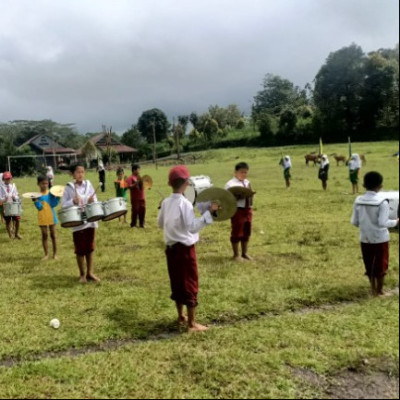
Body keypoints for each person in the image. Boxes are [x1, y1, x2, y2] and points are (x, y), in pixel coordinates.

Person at [158, 165, 218, 333]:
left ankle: (180, 315)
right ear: (186, 184)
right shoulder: (185, 204)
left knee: (176, 282)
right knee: (190, 283)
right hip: (185, 250)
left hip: (171, 249)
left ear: (170, 184)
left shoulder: (165, 202)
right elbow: (192, 227)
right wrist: (209, 213)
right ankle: (192, 323)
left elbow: (160, 223)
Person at [351, 171, 399, 296]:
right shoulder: (382, 202)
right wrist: (396, 221)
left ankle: (372, 289)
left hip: (364, 237)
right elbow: (383, 222)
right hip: (380, 238)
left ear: (363, 185)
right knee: (381, 264)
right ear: (380, 185)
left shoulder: (358, 200)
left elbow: (354, 222)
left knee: (369, 263)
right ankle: (380, 291)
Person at [62, 164, 100, 283]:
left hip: (89, 221)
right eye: (78, 172)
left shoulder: (88, 185)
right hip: (77, 222)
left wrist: (92, 200)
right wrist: (72, 201)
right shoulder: (68, 188)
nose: (80, 174)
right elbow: (63, 205)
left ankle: (90, 273)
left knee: (90, 248)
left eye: (82, 172)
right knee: (79, 250)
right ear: (72, 174)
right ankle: (82, 274)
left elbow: (95, 199)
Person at [225, 162, 254, 262]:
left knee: (247, 231)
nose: (244, 174)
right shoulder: (230, 184)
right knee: (237, 231)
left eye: (246, 172)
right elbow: (226, 198)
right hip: (237, 211)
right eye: (242, 172)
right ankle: (236, 255)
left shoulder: (247, 182)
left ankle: (244, 253)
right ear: (235, 172)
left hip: (248, 209)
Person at [33, 175, 60, 260]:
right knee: (44, 235)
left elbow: (54, 204)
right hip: (42, 217)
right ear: (38, 184)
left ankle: (55, 254)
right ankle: (46, 254)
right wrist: (35, 201)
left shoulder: (51, 193)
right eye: (42, 183)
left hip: (52, 216)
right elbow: (39, 208)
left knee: (53, 235)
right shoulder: (37, 195)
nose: (45, 185)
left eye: (46, 183)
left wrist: (58, 197)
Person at [0, 171, 22, 239]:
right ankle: (10, 235)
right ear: (3, 179)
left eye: (9, 178)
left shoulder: (13, 186)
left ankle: (16, 233)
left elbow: (17, 195)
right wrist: (5, 198)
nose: (8, 180)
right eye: (6, 178)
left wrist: (14, 197)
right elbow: (0, 198)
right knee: (8, 221)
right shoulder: (1, 187)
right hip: (6, 206)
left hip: (14, 205)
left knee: (17, 220)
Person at [126, 164, 146, 228]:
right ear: (134, 170)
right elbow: (128, 186)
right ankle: (133, 224)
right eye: (138, 169)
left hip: (142, 197)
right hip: (135, 198)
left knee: (142, 210)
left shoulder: (140, 177)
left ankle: (141, 224)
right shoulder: (130, 178)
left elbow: (144, 186)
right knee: (135, 211)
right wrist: (136, 183)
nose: (139, 170)